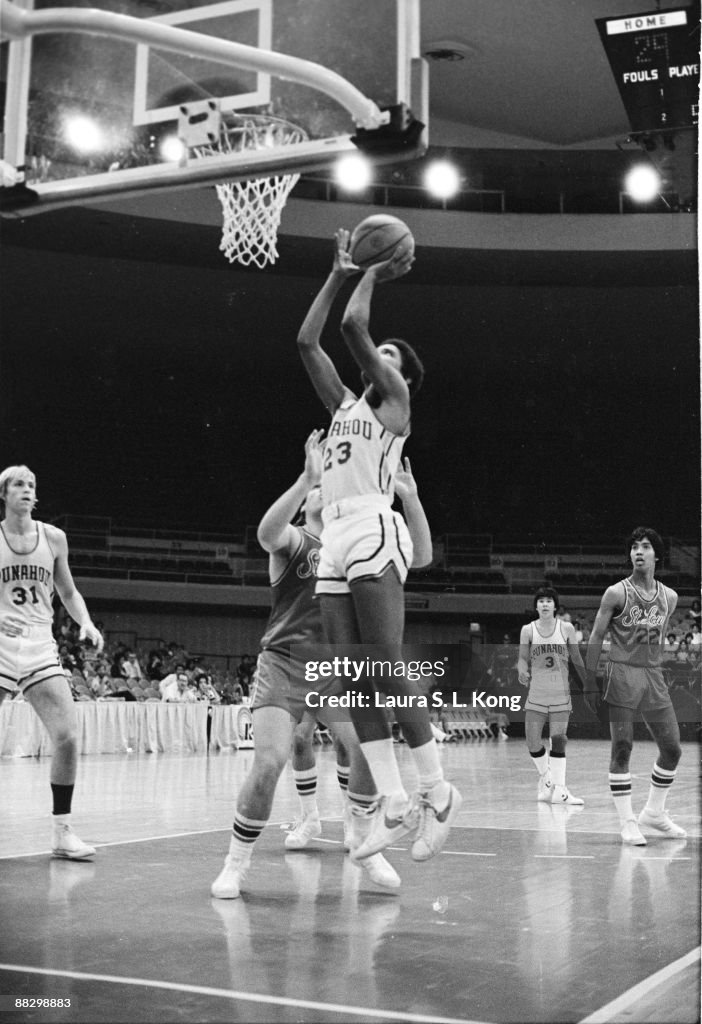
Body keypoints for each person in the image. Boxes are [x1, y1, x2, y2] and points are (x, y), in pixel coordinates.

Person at [296, 230, 462, 864]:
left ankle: (438, 790)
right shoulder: (343, 406)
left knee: (385, 668)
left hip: (372, 526)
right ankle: (395, 801)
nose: (376, 358)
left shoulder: (395, 402)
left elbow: (352, 327)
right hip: (333, 533)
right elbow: (308, 340)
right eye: (377, 355)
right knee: (351, 683)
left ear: (398, 375)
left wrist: (372, 272)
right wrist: (336, 273)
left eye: (386, 356)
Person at [212, 431, 433, 899]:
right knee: (270, 761)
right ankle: (236, 863)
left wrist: (409, 500)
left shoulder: (353, 544)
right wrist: (305, 477)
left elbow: (423, 555)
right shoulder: (296, 541)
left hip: (336, 669)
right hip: (285, 663)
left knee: (369, 748)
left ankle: (361, 838)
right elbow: (266, 533)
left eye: (326, 484)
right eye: (317, 488)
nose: (322, 489)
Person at [0, 465, 103, 859]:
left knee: (67, 736)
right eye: (18, 485)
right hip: (2, 644)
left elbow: (69, 591)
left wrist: (87, 622)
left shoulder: (54, 538)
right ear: (5, 494)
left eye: (31, 485)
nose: (26, 490)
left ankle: (62, 832)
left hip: (40, 646)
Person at [585, 527, 686, 845]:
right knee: (623, 746)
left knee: (672, 749)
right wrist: (589, 680)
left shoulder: (669, 597)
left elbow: (656, 639)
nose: (638, 551)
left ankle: (653, 813)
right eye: (633, 547)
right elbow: (596, 636)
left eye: (645, 546)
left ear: (657, 554)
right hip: (623, 672)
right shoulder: (616, 593)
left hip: (653, 675)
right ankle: (627, 821)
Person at [517, 585, 586, 805]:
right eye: (541, 601)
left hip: (560, 692)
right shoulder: (527, 630)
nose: (545, 604)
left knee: (558, 739)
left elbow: (576, 658)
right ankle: (547, 777)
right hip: (537, 692)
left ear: (555, 606)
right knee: (532, 742)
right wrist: (521, 669)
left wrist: (588, 682)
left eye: (549, 600)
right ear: (536, 606)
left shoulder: (566, 628)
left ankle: (561, 791)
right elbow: (521, 658)